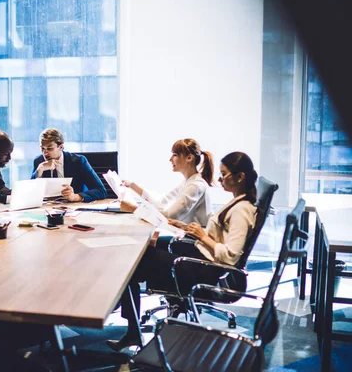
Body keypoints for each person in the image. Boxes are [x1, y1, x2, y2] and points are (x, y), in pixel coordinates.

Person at [107, 151, 258, 351]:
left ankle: (130, 327)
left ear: (240, 177)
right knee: (145, 250)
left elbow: (230, 256)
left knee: (131, 264)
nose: (220, 180)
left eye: (224, 175)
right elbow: (220, 236)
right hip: (202, 253)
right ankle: (128, 320)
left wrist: (203, 236)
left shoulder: (241, 209)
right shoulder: (237, 200)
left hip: (207, 270)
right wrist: (190, 229)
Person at [121, 138, 214, 250]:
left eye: (174, 155)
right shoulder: (188, 182)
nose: (170, 159)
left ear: (189, 158)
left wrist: (134, 208)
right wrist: (132, 186)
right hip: (188, 236)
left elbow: (168, 217)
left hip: (195, 243)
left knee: (146, 244)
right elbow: (161, 202)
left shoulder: (195, 185)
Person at [31, 128, 107, 202]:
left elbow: (101, 191)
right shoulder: (39, 162)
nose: (45, 153)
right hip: (49, 209)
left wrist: (76, 197)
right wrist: (40, 170)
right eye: (42, 149)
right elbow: (30, 193)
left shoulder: (78, 161)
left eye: (49, 148)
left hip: (75, 208)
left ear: (61, 147)